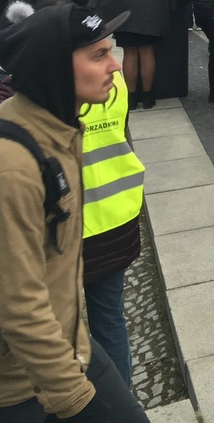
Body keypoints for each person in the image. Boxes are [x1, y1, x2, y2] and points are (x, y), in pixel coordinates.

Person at [0, 3, 149, 421]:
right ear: (55, 69)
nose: (115, 65)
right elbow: (16, 303)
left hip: (67, 342)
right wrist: (74, 398)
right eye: (98, 55)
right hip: (0, 385)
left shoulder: (56, 128)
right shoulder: (5, 170)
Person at [80, 70, 144, 388]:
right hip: (116, 212)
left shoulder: (49, 80)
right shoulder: (113, 78)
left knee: (55, 325)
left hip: (74, 223)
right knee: (110, 318)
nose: (112, 60)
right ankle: (122, 404)